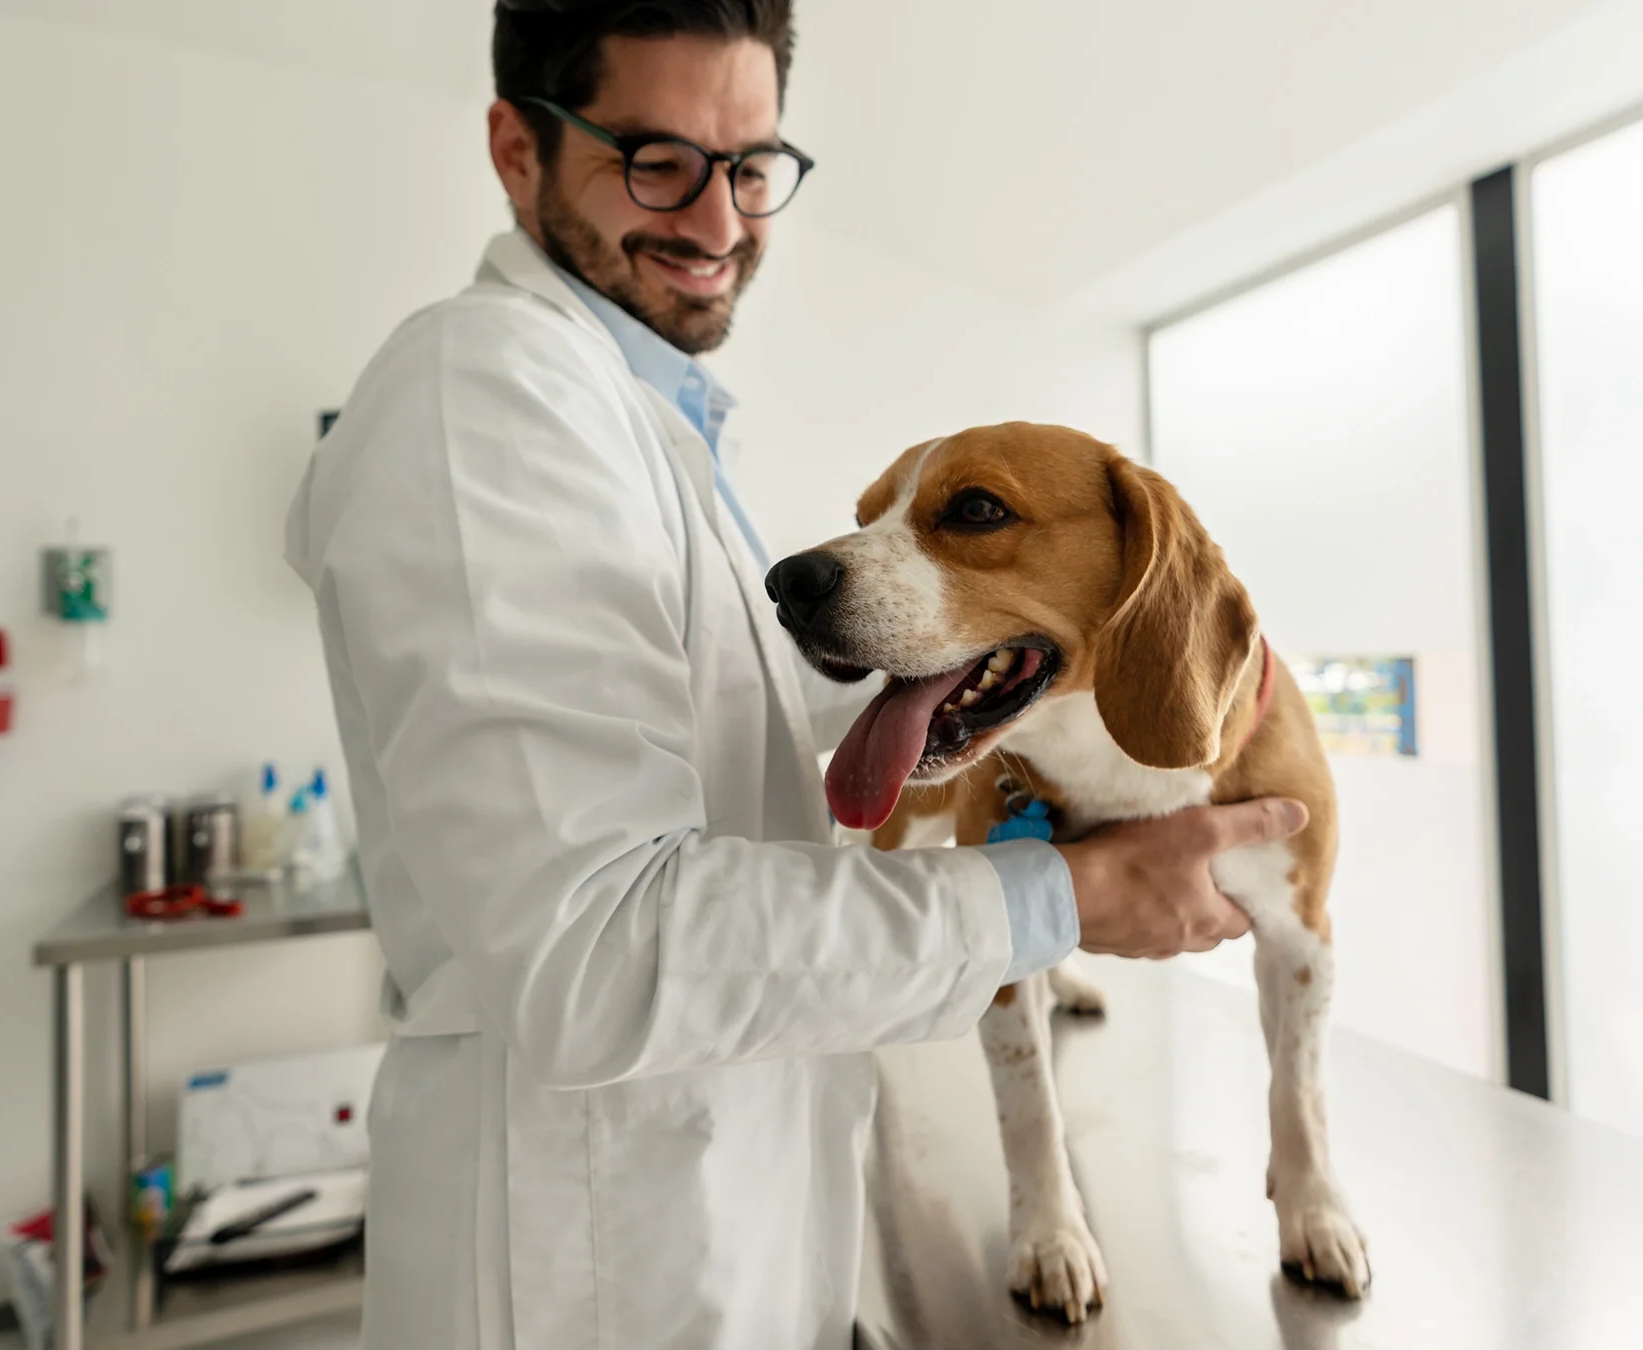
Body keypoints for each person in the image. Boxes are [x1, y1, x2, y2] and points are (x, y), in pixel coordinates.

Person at [282, 3, 1309, 1346]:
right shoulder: (484, 395)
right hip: (589, 1287)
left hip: (734, 1256)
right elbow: (599, 953)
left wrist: (1110, 666)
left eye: (750, 165)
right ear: (516, 149)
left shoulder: (642, 432)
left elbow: (743, 730)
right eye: (655, 161)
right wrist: (1073, 894)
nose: (717, 224)